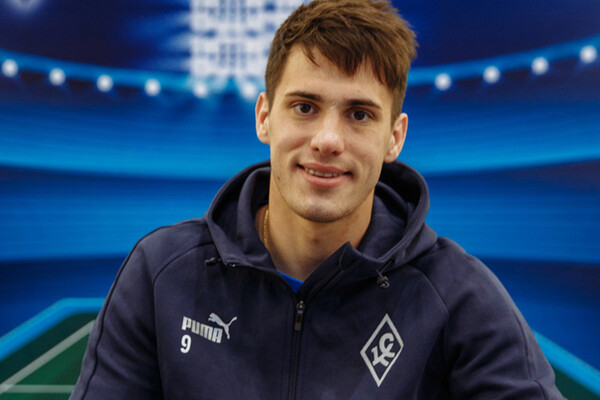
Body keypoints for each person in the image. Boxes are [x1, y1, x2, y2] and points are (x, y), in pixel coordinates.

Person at [71, 0, 563, 398]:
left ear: (395, 137)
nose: (328, 140)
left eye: (359, 114)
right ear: (265, 117)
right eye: (305, 107)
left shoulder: (459, 297)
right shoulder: (160, 274)